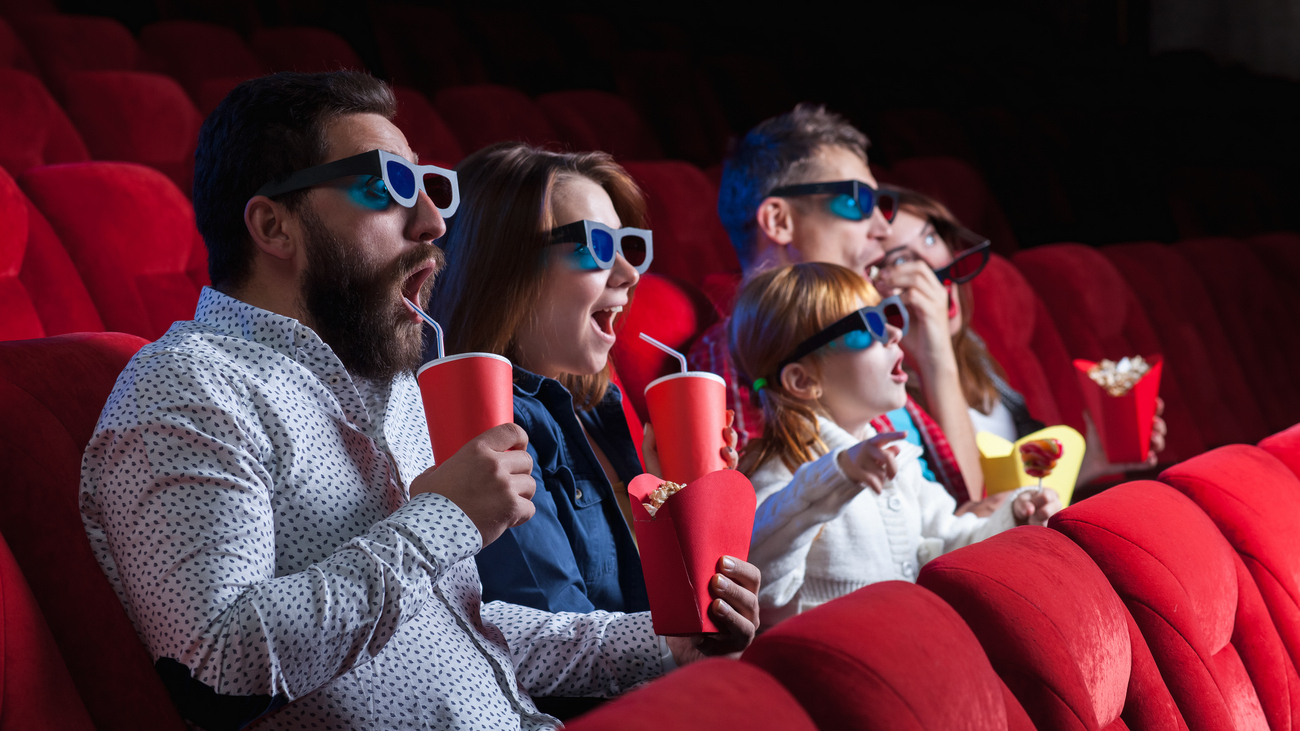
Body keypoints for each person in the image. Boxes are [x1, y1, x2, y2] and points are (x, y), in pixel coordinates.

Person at [79, 71, 756, 731]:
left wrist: (666, 642)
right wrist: (443, 518)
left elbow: (459, 632)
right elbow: (218, 669)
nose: (433, 221)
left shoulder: (397, 387)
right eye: (389, 186)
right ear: (274, 226)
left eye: (431, 188)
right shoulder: (191, 385)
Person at [428, 141, 744, 616]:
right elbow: (554, 630)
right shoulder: (486, 421)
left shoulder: (597, 406)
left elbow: (674, 607)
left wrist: (678, 502)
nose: (630, 272)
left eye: (623, 244)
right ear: (505, 266)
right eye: (595, 245)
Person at [729, 262, 1060, 627]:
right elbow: (763, 580)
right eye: (866, 327)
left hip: (916, 642)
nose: (893, 332)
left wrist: (1015, 517)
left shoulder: (896, 458)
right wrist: (837, 476)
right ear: (802, 380)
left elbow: (951, 542)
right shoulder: (783, 473)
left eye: (886, 316)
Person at [690, 103, 984, 505]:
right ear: (779, 221)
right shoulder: (737, 356)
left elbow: (964, 498)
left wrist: (936, 356)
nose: (882, 229)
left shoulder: (870, 335)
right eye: (858, 201)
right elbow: (759, 520)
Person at [870, 189, 1168, 488]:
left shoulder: (971, 347)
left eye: (931, 239)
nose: (931, 264)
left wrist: (1095, 459)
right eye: (900, 260)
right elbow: (975, 508)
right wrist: (935, 356)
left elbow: (1022, 494)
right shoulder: (888, 402)